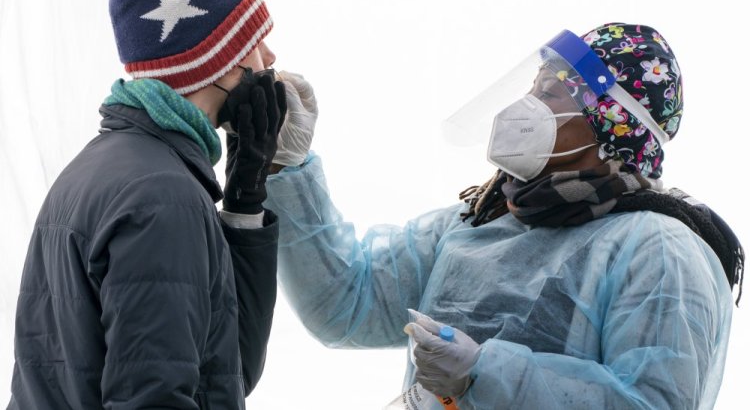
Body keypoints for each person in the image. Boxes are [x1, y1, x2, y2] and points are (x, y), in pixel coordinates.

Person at [264, 23, 744, 409]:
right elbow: (345, 305)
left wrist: (485, 374)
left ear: (613, 127)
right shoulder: (479, 222)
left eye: (552, 94)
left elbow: (654, 402)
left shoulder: (658, 249)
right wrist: (289, 169)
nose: (526, 106)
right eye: (532, 88)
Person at [8, 0, 289, 409]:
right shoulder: (164, 198)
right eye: (254, 41)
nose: (270, 55)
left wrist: (246, 199)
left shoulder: (107, 167)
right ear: (215, 61)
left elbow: (226, 370)